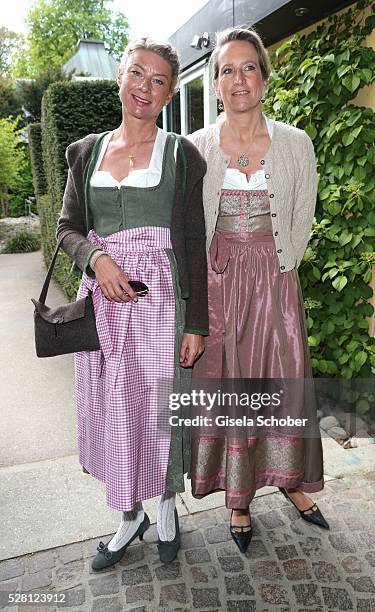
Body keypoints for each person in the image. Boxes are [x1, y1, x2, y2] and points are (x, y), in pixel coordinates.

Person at [56, 37, 208, 568]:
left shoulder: (182, 155)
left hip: (162, 304)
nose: (146, 86)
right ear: (119, 77)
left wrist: (198, 322)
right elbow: (68, 229)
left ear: (168, 94)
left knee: (159, 413)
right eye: (137, 73)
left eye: (160, 79)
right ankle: (128, 517)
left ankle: (165, 508)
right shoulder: (85, 152)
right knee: (115, 414)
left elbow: (193, 241)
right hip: (103, 304)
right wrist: (96, 260)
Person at [189, 27, 329, 553]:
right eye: (227, 69)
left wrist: (282, 265)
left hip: (274, 281)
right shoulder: (197, 146)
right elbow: (189, 225)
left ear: (265, 78)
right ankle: (240, 498)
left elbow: (302, 214)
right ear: (216, 83)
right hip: (221, 284)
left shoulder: (295, 143)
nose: (238, 78)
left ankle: (292, 481)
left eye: (249, 67)